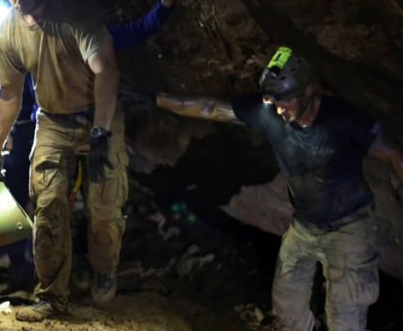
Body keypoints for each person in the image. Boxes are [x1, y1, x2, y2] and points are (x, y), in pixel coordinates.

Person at [122, 46, 403, 331]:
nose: (279, 108)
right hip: (305, 227)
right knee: (286, 312)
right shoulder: (270, 112)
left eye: (285, 100)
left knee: (345, 320)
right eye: (274, 100)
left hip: (350, 228)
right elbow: (211, 107)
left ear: (308, 91)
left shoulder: (344, 121)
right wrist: (156, 99)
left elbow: (393, 153)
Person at [0, 0, 126, 321]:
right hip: (52, 120)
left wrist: (100, 132)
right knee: (46, 208)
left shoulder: (76, 13)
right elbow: (10, 93)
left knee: (103, 211)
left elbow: (106, 71)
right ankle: (51, 295)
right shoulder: (10, 30)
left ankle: (103, 271)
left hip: (99, 114)